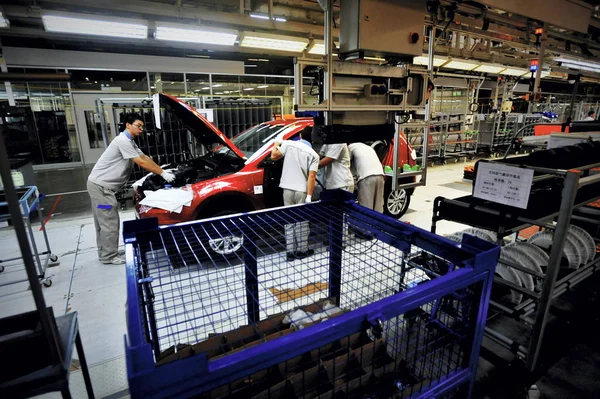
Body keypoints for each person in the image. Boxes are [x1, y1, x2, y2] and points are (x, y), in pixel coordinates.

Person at [87, 113, 175, 265]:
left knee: (102, 221)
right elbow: (140, 162)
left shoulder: (129, 141)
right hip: (102, 188)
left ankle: (106, 252)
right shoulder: (123, 141)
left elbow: (144, 157)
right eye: (138, 126)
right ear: (128, 125)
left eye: (142, 126)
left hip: (99, 185)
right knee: (109, 221)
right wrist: (162, 174)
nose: (141, 129)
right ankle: (109, 256)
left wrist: (161, 169)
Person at [271, 137, 319, 261]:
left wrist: (277, 142)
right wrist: (309, 196)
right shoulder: (314, 154)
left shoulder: (289, 144)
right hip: (301, 190)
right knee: (301, 222)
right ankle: (302, 250)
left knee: (289, 220)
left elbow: (274, 156)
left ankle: (290, 252)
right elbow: (312, 177)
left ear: (301, 137)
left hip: (287, 188)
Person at [348, 142, 385, 213]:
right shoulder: (368, 147)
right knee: (378, 207)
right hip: (380, 175)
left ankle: (366, 223)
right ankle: (377, 223)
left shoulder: (351, 147)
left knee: (366, 207)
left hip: (367, 177)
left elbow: (347, 164)